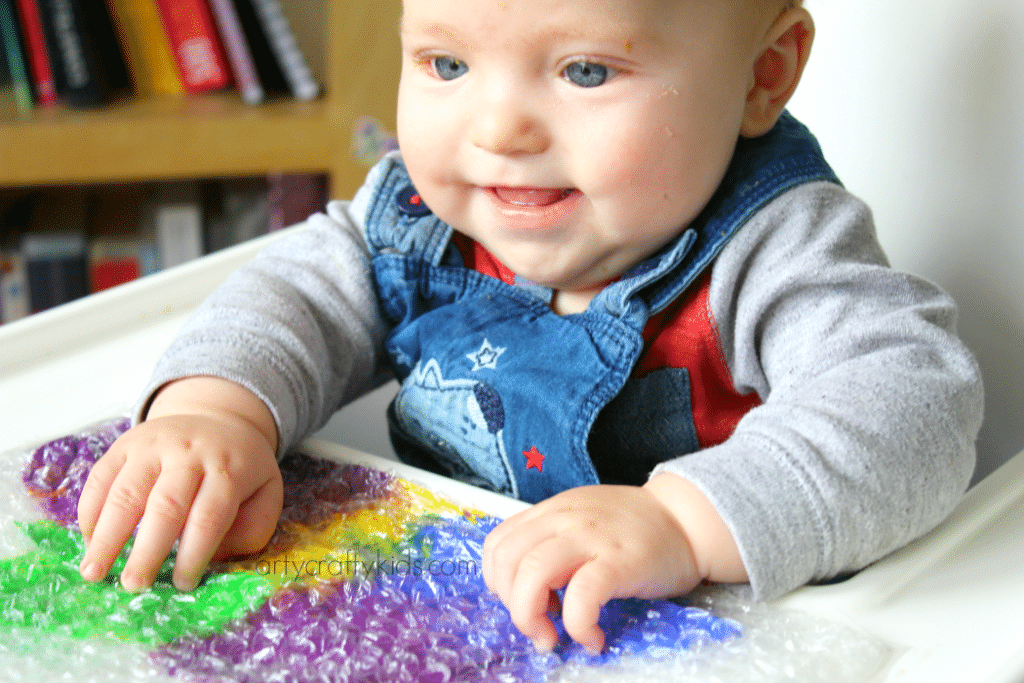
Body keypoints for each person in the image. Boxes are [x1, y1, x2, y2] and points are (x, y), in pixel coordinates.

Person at [77, 0, 983, 656]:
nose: (498, 126)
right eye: (445, 64)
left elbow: (916, 400)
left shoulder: (775, 247)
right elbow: (297, 298)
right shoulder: (423, 223)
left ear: (763, 74)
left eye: (585, 69)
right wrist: (215, 411)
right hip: (438, 620)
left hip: (696, 643)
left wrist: (681, 520)